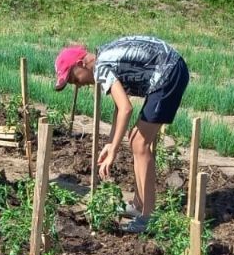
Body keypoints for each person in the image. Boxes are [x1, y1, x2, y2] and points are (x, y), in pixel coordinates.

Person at [53, 36, 189, 233]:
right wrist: (109, 144)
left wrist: (114, 151)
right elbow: (120, 107)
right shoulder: (105, 59)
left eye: (74, 78)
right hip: (167, 69)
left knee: (139, 143)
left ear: (81, 64)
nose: (77, 85)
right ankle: (138, 205)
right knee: (135, 139)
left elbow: (126, 108)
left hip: (169, 72)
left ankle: (148, 217)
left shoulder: (101, 66)